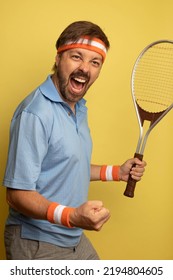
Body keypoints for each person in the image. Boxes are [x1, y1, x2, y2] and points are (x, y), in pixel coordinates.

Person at [3, 21, 146, 260]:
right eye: (76, 57)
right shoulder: (35, 113)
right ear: (58, 58)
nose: (85, 69)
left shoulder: (77, 107)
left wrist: (117, 173)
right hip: (37, 242)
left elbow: (65, 165)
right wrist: (72, 216)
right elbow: (17, 194)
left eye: (95, 62)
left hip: (72, 237)